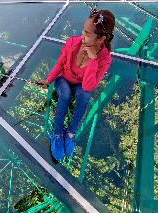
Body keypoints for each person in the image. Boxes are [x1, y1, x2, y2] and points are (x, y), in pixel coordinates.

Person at [39, 8, 115, 161]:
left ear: (101, 39)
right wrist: (49, 79)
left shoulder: (105, 58)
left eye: (87, 34)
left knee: (85, 95)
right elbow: (60, 63)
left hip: (82, 84)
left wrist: (93, 60)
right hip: (64, 78)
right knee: (65, 95)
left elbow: (88, 86)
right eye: (83, 30)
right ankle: (57, 133)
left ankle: (70, 133)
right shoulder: (72, 42)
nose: (82, 36)